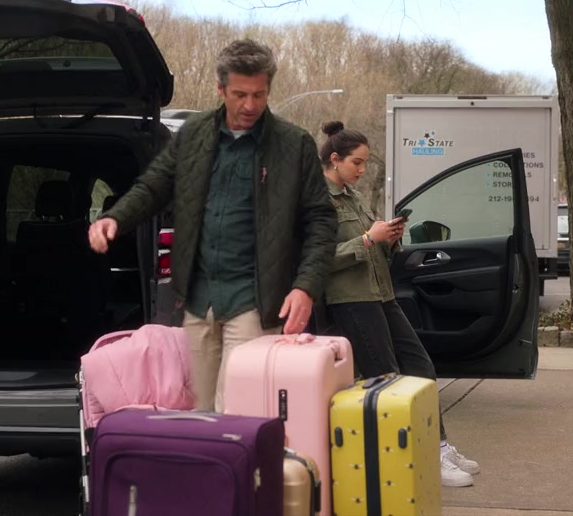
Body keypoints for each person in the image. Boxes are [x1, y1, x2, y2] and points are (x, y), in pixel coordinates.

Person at [88, 39, 337, 412]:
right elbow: (155, 184)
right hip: (199, 300)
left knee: (239, 410)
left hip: (256, 301)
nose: (250, 105)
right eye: (240, 95)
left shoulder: (293, 144)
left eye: (259, 94)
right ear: (220, 89)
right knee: (203, 411)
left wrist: (306, 287)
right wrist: (115, 217)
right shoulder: (194, 134)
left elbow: (321, 218)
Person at [315, 121, 479, 488]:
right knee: (387, 380)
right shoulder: (317, 200)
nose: (362, 170)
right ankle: (411, 460)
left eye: (365, 163)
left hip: (381, 293)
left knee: (420, 365)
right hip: (351, 301)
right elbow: (317, 259)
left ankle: (438, 447)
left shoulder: (354, 196)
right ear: (335, 158)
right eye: (357, 163)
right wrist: (367, 239)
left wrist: (388, 239)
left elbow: (371, 244)